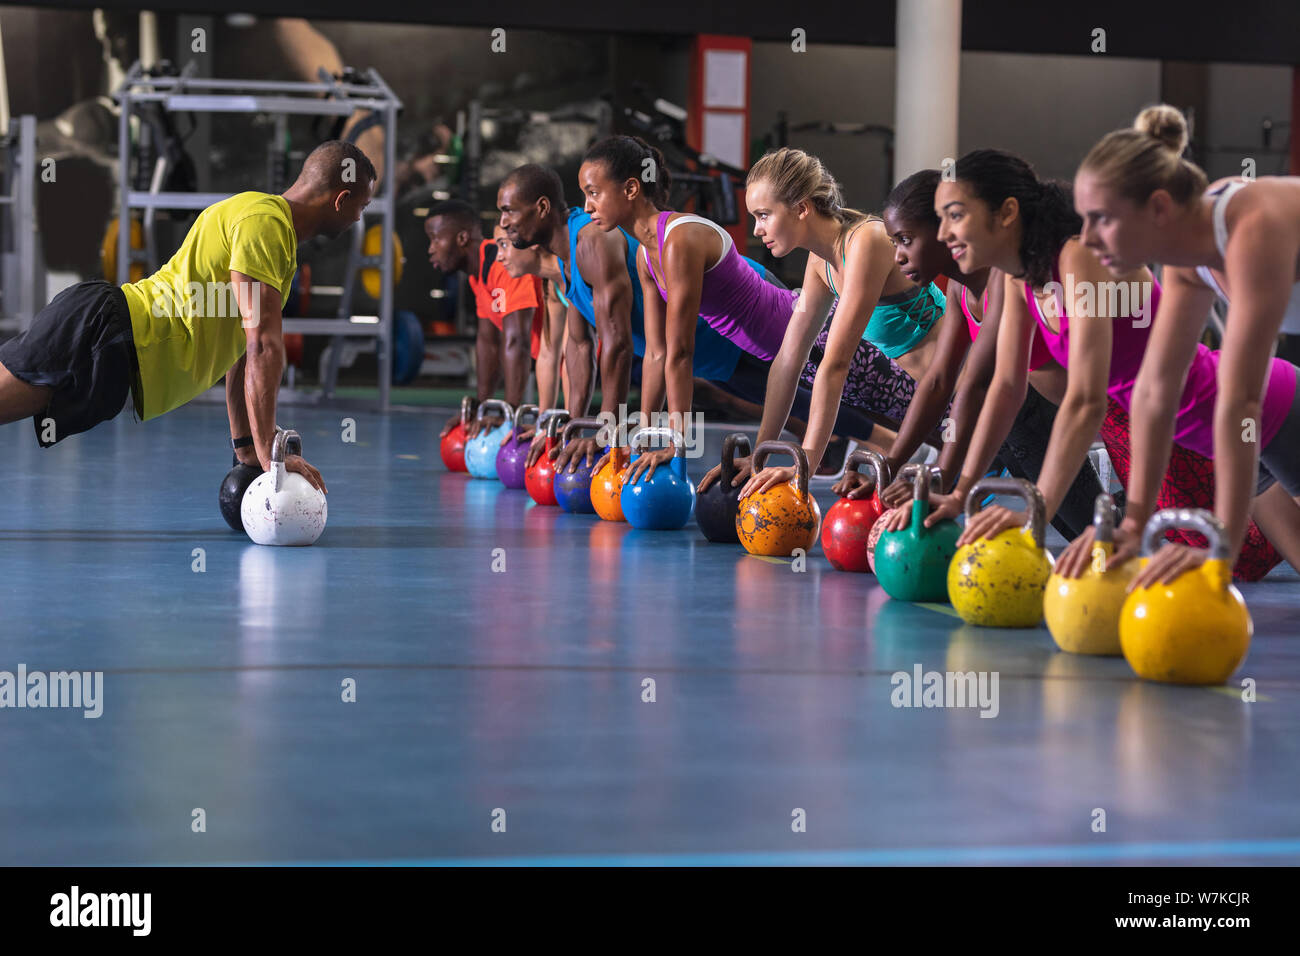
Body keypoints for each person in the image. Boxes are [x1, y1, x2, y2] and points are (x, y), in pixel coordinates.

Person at [917, 148, 1296, 581]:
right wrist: (961, 489)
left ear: (1006, 212)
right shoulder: (1020, 280)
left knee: (1236, 558)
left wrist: (1039, 506)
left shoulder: (1076, 258)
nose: (943, 232)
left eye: (954, 215)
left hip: (1263, 414)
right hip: (1212, 436)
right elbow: (1005, 387)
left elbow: (1085, 398)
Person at [0, 141, 371, 493]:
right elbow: (263, 346)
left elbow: (241, 353)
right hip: (107, 334)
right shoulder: (265, 228)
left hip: (112, 335)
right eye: (362, 206)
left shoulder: (261, 219)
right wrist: (268, 453)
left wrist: (246, 447)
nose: (359, 218)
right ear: (341, 200)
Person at [499, 160, 881, 476]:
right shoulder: (587, 268)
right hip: (720, 349)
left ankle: (888, 446)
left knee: (848, 388)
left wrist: (613, 431)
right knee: (801, 396)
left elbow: (624, 347)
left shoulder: (598, 242)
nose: (503, 230)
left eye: (595, 192)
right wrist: (591, 426)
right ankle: (870, 444)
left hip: (746, 325)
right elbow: (595, 349)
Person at [1054, 104, 1300, 586]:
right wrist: (1134, 521)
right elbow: (1153, 390)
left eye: (1101, 219)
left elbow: (1241, 400)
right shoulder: (1190, 257)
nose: (1086, 239)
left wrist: (1222, 542)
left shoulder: (1253, 227)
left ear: (1160, 208)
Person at [578, 137, 915, 484]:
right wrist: (648, 440)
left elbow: (680, 352)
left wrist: (677, 442)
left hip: (789, 326)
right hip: (774, 345)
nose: (587, 206)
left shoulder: (678, 240)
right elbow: (656, 354)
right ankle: (910, 454)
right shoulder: (645, 255)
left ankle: (911, 455)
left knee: (897, 408)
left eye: (593, 192)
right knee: (872, 405)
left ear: (631, 188)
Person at [851, 169, 1111, 539]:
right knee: (1079, 532)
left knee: (1098, 537)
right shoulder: (960, 291)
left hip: (1072, 414)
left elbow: (982, 385)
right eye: (895, 243)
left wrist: (946, 478)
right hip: (1031, 424)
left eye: (906, 240)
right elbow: (941, 381)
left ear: (944, 230)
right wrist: (892, 463)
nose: (898, 257)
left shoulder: (1001, 279)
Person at [424, 199, 543, 438]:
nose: (430, 248)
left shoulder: (503, 263)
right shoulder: (478, 276)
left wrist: (509, 414)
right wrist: (481, 407)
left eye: (436, 239)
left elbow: (516, 341)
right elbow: (488, 343)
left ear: (462, 238)